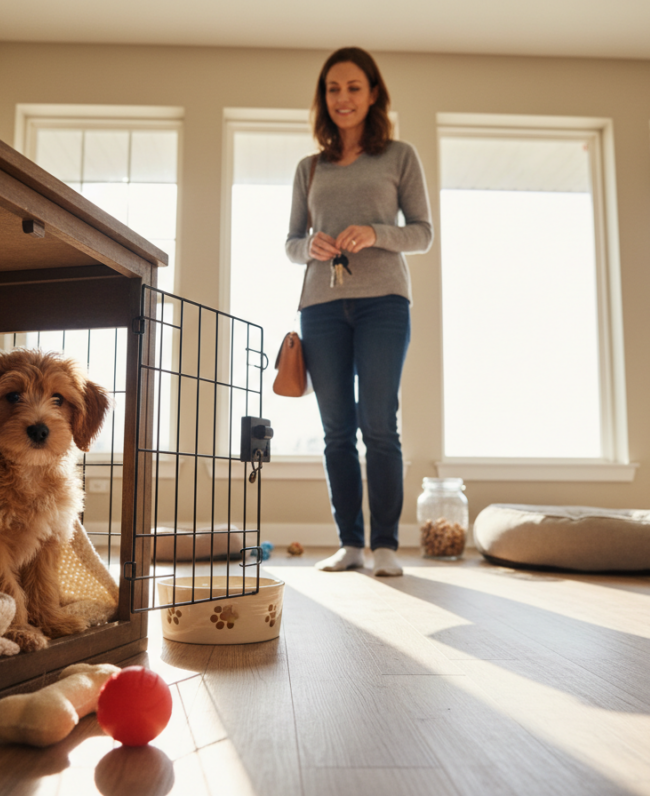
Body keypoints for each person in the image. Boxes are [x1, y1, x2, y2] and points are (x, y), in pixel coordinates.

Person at [285, 47, 433, 577]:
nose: (342, 98)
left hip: (384, 304)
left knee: (379, 424)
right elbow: (290, 244)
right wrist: (313, 247)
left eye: (353, 87)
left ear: (373, 94)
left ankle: (386, 545)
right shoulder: (310, 168)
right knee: (336, 430)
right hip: (321, 307)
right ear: (324, 99)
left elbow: (422, 233)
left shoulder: (398, 156)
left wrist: (375, 233)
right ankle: (350, 544)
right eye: (332, 89)